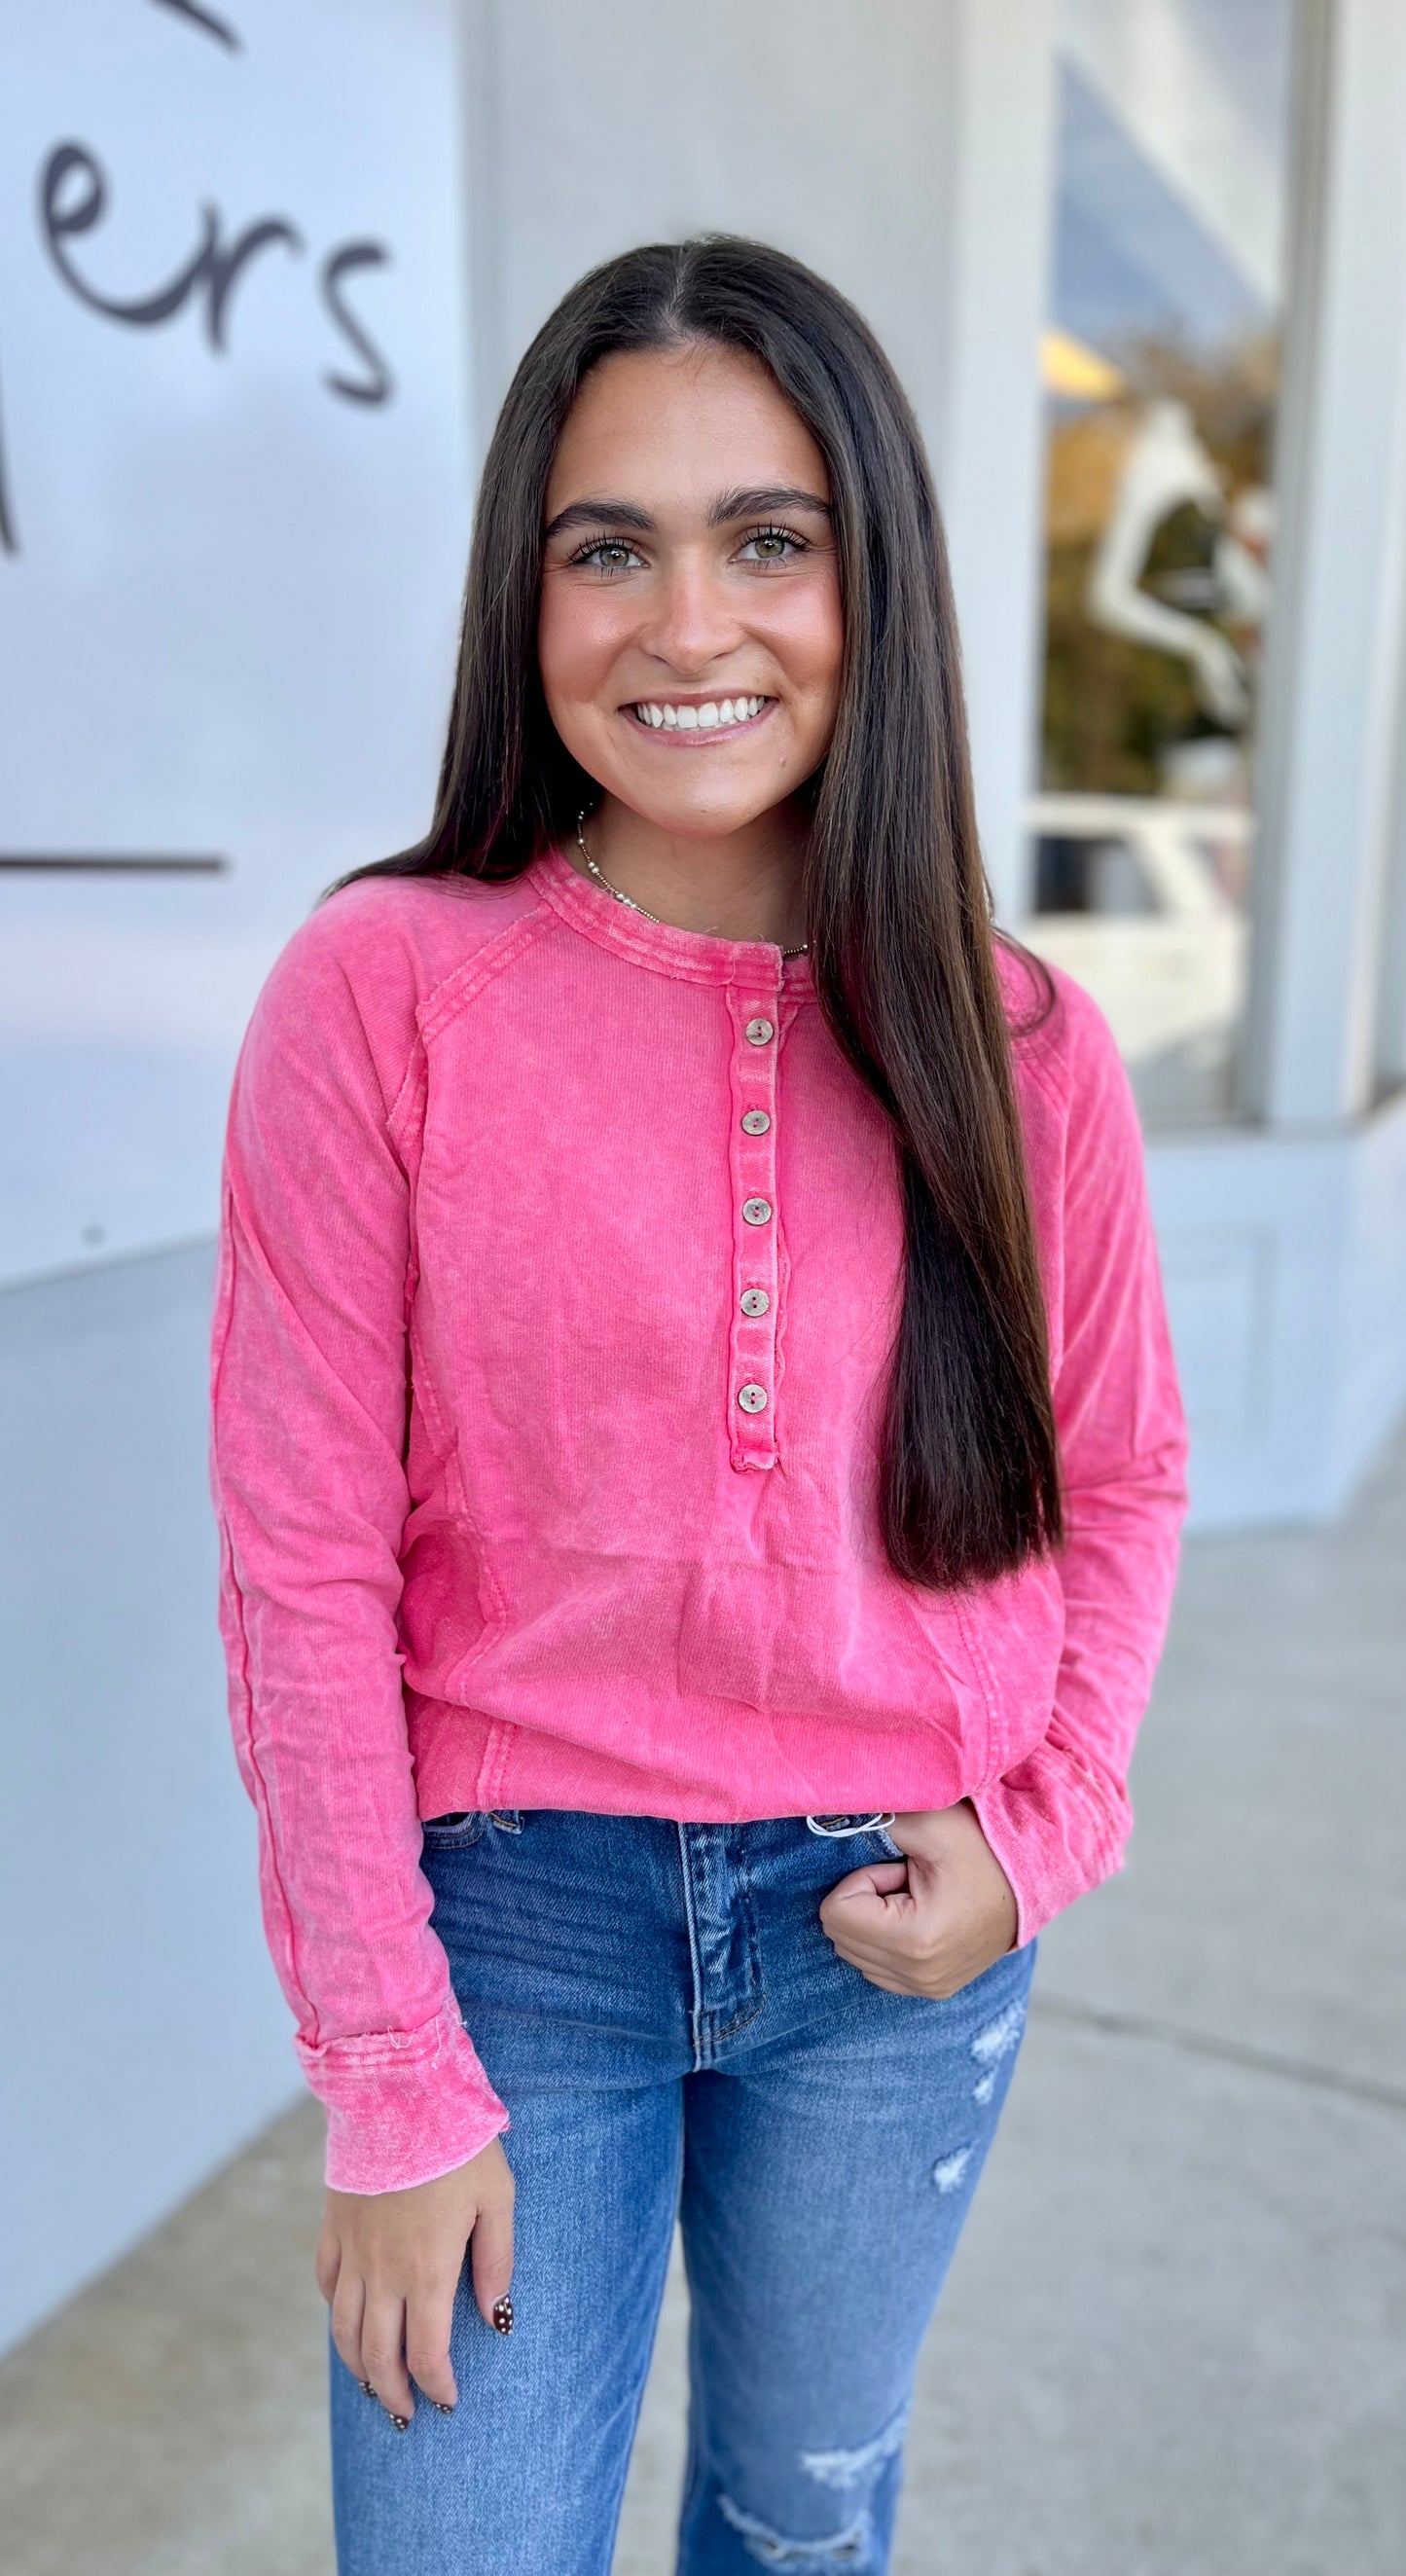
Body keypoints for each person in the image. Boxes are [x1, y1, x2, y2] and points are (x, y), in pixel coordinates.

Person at [208, 236, 1188, 2575]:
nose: (688, 624)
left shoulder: (1024, 1044)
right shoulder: (385, 991)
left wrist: (1045, 1832)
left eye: (770, 540)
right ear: (521, 594)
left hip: (896, 1931)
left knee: (800, 2507)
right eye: (606, 547)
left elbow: (1124, 1478)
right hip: (508, 1933)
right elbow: (300, 1567)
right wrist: (387, 2079)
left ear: (879, 582)